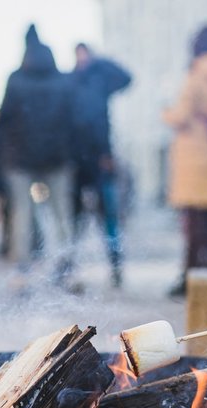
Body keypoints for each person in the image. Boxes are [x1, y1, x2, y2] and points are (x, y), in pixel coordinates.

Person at [0, 25, 78, 292]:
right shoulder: (63, 81)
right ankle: (67, 265)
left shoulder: (16, 80)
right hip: (58, 157)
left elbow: (4, 118)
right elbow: (73, 119)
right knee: (62, 213)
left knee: (22, 213)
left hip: (20, 158)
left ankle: (21, 270)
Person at [163, 26, 207, 296]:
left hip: (193, 156)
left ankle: (191, 278)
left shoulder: (195, 75)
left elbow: (180, 115)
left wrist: (165, 114)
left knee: (194, 224)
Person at [71, 43, 131, 288]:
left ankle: (116, 265)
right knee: (75, 219)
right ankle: (68, 267)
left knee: (108, 218)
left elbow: (126, 78)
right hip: (76, 162)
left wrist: (98, 62)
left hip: (100, 159)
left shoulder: (100, 79)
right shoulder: (71, 81)